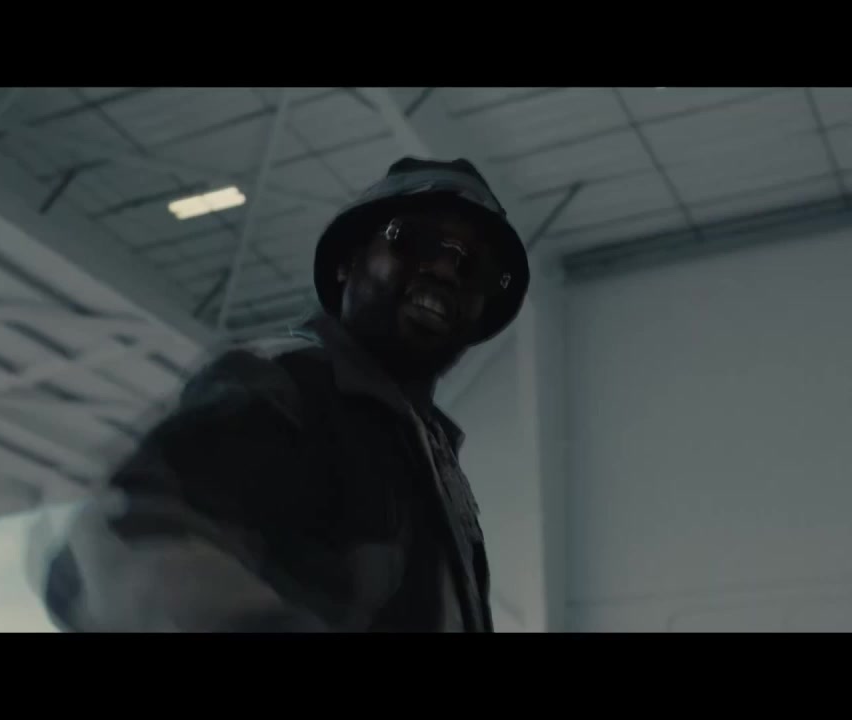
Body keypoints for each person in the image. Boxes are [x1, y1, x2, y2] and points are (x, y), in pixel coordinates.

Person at [41, 157, 530, 632]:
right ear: (347, 262)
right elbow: (117, 542)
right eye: (412, 240)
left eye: (477, 267)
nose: (445, 271)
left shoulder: (430, 455)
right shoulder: (288, 384)